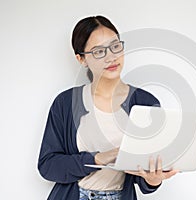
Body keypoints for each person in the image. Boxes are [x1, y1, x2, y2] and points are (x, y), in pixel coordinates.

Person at [37, 15, 178, 200]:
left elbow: (145, 172)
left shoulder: (146, 103)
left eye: (115, 46)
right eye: (98, 51)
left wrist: (153, 180)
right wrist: (97, 158)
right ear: (81, 59)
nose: (111, 57)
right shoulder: (65, 103)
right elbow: (48, 166)